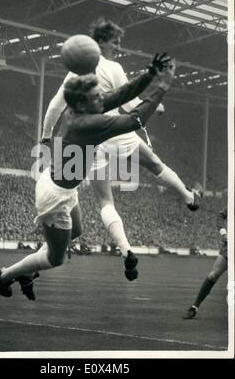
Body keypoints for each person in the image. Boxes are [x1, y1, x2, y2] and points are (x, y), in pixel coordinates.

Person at [0, 54, 175, 300]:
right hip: (54, 197)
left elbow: (123, 94)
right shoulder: (89, 125)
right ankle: (5, 275)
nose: (101, 96)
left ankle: (24, 272)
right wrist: (162, 86)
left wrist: (151, 73)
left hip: (64, 186)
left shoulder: (84, 110)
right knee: (53, 259)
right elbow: (136, 119)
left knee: (76, 230)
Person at [41, 18, 203, 281]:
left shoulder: (75, 72)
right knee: (154, 164)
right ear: (101, 42)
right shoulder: (112, 67)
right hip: (115, 130)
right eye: (114, 42)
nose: (118, 47)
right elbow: (128, 102)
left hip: (92, 139)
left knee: (105, 201)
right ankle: (188, 197)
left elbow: (55, 106)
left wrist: (46, 135)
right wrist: (156, 106)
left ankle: (126, 251)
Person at [183, 206, 228, 319]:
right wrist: (223, 233)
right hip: (230, 247)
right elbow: (220, 216)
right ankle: (194, 307)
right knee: (213, 275)